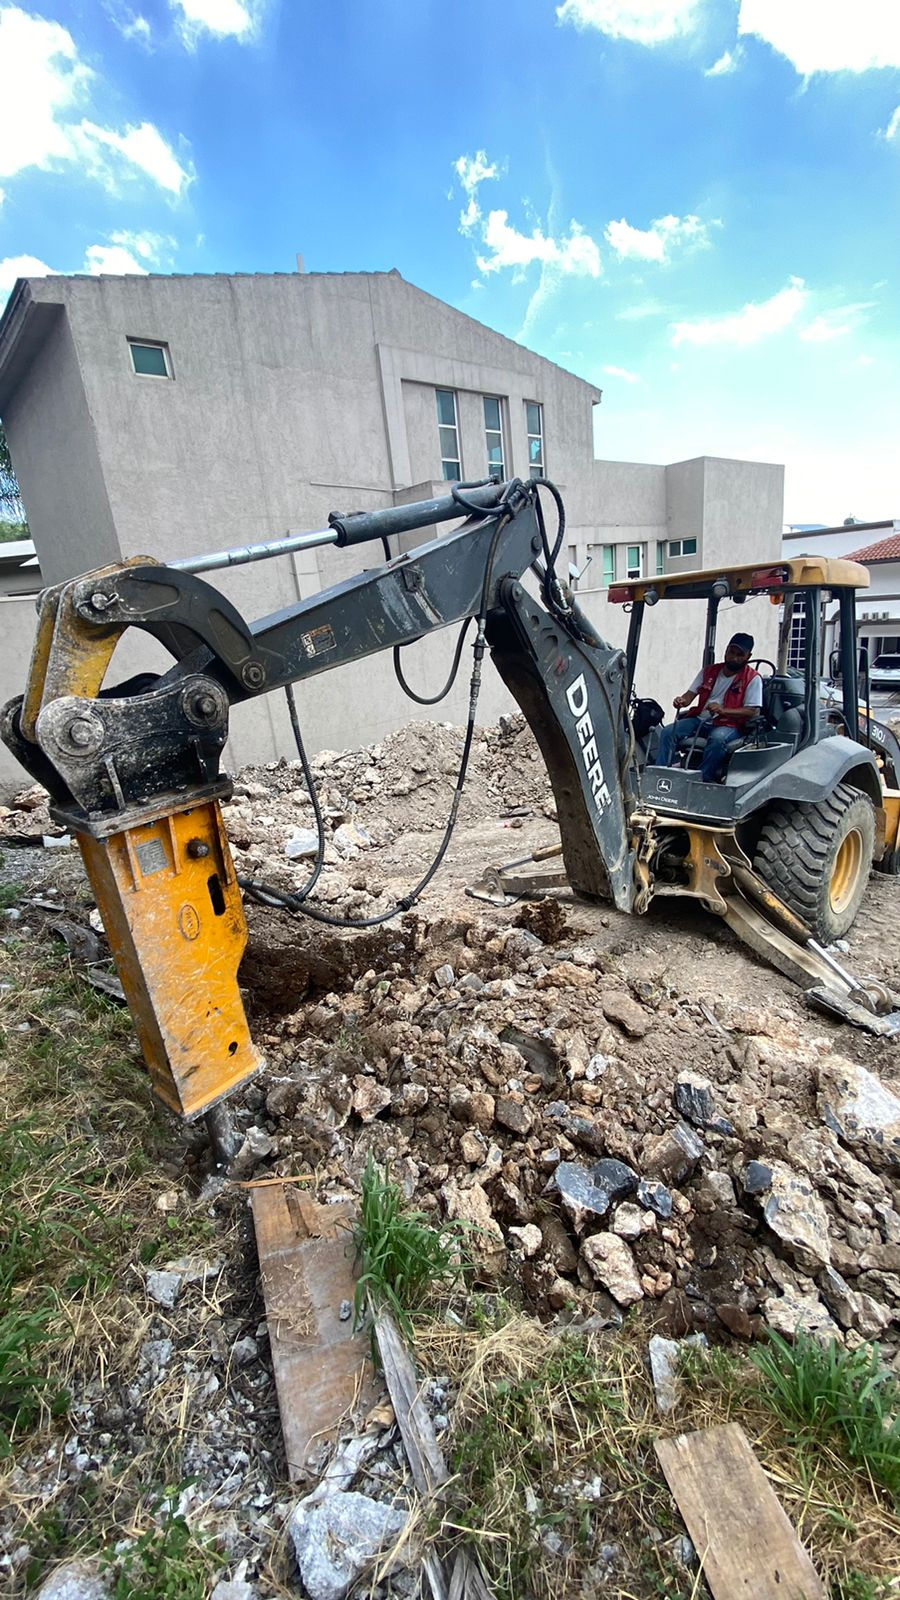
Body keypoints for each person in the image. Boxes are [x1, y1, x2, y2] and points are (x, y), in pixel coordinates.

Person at [657, 633, 762, 782]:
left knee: (718, 739)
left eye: (740, 655)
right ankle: (661, 775)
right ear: (726, 651)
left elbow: (752, 711)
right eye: (732, 652)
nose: (734, 657)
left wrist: (723, 710)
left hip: (729, 724)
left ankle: (702, 780)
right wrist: (681, 701)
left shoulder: (752, 678)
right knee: (668, 732)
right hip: (700, 719)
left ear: (748, 656)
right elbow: (689, 696)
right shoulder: (708, 671)